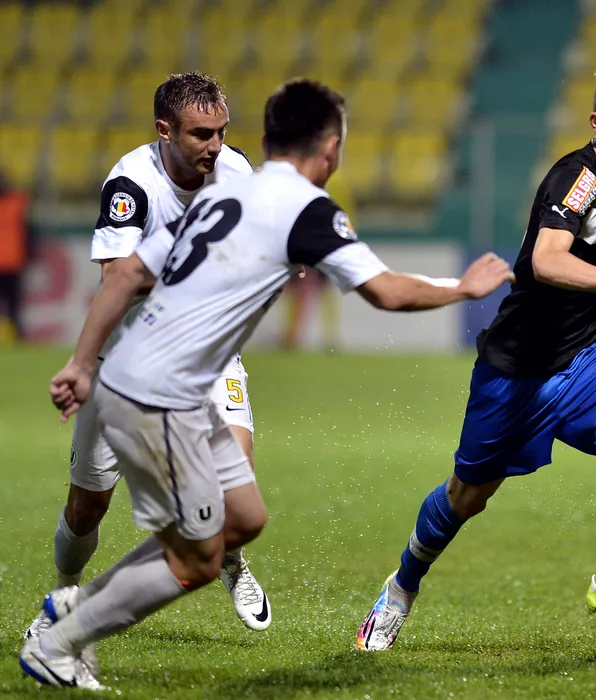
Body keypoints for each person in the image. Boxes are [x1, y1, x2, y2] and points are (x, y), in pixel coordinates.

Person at [21, 78, 513, 689]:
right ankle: (63, 635)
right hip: (157, 392)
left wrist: (79, 363)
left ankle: (75, 609)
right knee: (197, 558)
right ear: (330, 148)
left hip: (160, 375)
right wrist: (462, 288)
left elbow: (128, 276)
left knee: (243, 517)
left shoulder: (229, 191)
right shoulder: (302, 209)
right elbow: (386, 291)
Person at [357, 56, 596, 652]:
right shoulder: (576, 180)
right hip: (517, 366)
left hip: (589, 351)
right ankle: (401, 586)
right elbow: (546, 261)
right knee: (468, 496)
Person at [23, 73, 274, 641]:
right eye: (201, 134)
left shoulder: (235, 172)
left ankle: (232, 560)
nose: (216, 146)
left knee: (235, 484)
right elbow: (117, 276)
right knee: (87, 507)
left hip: (207, 355)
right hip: (126, 364)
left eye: (222, 131)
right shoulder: (131, 184)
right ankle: (65, 593)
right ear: (165, 130)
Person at [0, 166, 32, 340]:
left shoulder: (17, 202)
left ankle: (18, 338)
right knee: (13, 307)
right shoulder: (18, 202)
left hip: (13, 263)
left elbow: (28, 232)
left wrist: (28, 254)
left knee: (14, 308)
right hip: (12, 262)